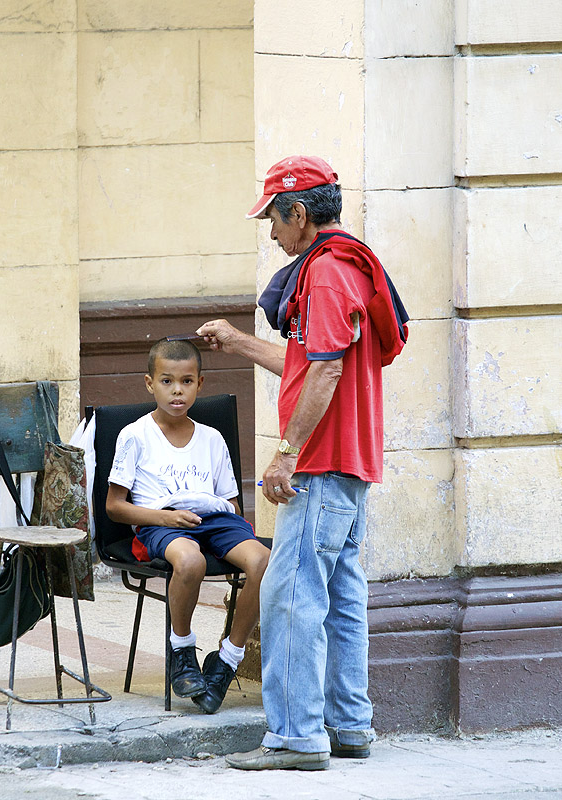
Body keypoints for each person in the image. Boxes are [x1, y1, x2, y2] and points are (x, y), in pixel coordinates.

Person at [198, 155, 403, 770]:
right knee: (340, 595)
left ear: (300, 212)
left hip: (319, 466)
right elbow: (307, 359)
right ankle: (349, 726)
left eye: (275, 220)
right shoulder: (343, 267)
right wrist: (236, 342)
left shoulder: (327, 273)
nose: (272, 234)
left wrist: (287, 454)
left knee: (290, 596)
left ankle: (295, 737)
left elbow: (326, 369)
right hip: (347, 462)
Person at [106, 339, 270, 714]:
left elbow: (231, 503)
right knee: (191, 560)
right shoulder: (135, 435)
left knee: (263, 561)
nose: (177, 390)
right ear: (150, 384)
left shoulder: (212, 439)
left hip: (213, 521)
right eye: (166, 381)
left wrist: (212, 510)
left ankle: (228, 658)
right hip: (161, 523)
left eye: (186, 381)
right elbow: (114, 507)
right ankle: (182, 650)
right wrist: (165, 517)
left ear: (200, 384)